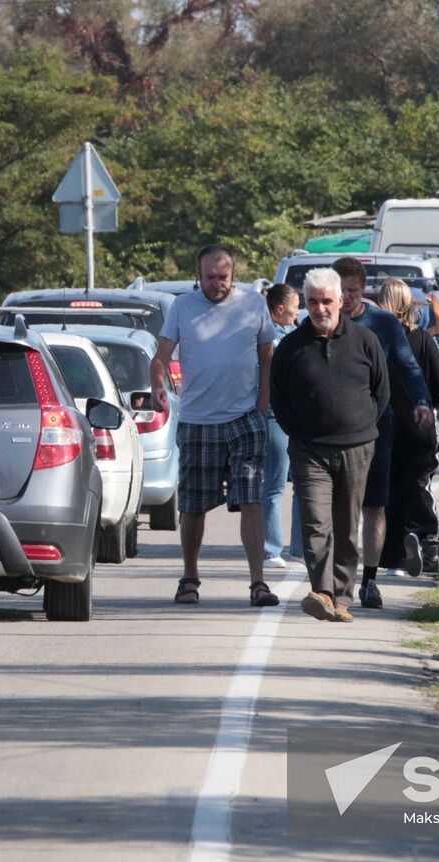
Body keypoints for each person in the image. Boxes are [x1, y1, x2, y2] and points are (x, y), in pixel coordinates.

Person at [151, 244, 279, 607]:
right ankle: (189, 578)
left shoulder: (254, 304)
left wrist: (263, 404)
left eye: (223, 277)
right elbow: (160, 357)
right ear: (198, 275)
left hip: (245, 418)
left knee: (251, 498)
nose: (216, 283)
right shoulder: (182, 307)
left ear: (233, 275)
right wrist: (157, 386)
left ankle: (258, 583)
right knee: (192, 504)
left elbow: (267, 357)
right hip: (198, 421)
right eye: (209, 277)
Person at [271, 267, 389, 622]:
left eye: (326, 301)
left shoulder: (365, 341)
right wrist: (300, 432)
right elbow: (278, 398)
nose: (320, 308)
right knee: (315, 521)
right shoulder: (291, 346)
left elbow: (381, 392)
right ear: (304, 304)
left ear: (341, 300)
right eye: (312, 302)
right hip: (309, 451)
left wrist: (362, 428)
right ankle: (321, 591)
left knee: (346, 525)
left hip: (356, 448)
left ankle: (342, 597)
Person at [330, 256, 432, 610]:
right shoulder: (323, 322)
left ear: (364, 289)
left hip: (377, 425)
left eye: (352, 291)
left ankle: (369, 580)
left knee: (374, 504)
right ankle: (335, 578)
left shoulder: (383, 323)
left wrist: (421, 400)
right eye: (339, 291)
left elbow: (407, 365)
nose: (346, 299)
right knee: (340, 507)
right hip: (333, 430)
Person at [375, 278, 439, 577]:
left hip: (384, 424)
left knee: (388, 489)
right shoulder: (422, 339)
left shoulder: (374, 338)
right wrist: (428, 402)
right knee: (419, 486)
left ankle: (392, 556)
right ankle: (427, 544)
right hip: (419, 424)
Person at [260, 284, 301, 568]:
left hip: (300, 417)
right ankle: (271, 548)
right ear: (279, 310)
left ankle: (300, 547)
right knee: (275, 483)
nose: (298, 312)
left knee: (304, 482)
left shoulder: (294, 333)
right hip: (275, 416)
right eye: (294, 307)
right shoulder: (268, 337)